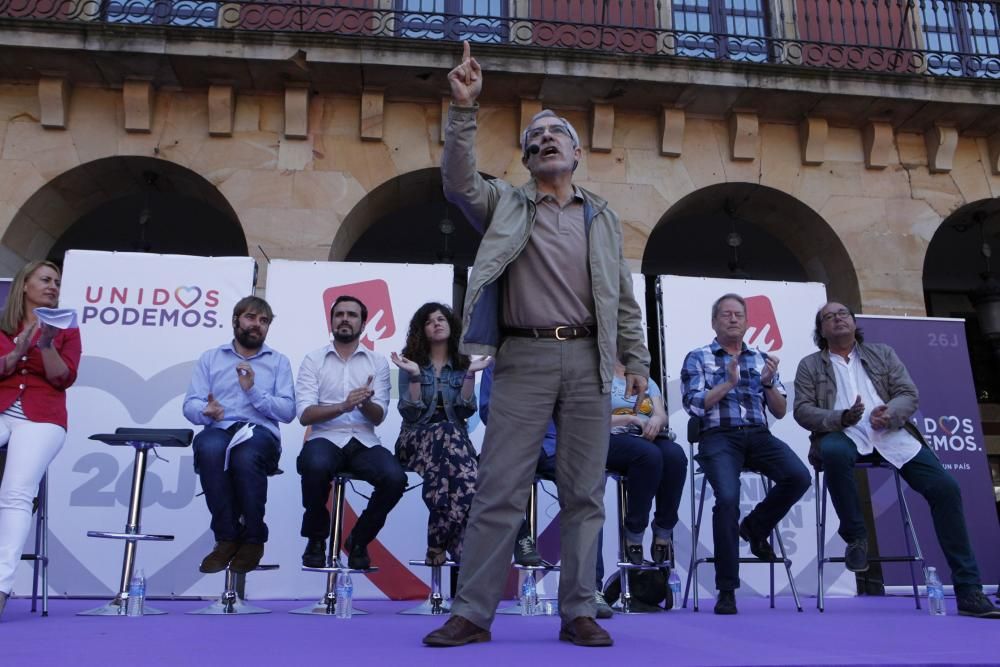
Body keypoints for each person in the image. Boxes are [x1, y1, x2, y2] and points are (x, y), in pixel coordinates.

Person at [423, 40, 649, 648]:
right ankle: (472, 612)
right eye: (535, 137)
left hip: (587, 361)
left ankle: (579, 609)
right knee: (499, 488)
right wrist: (464, 108)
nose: (546, 140)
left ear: (576, 153)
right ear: (525, 158)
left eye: (557, 134)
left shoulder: (601, 217)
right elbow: (457, 180)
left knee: (584, 490)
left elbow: (623, 297)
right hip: (519, 358)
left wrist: (637, 360)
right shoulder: (504, 203)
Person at [793, 301, 1000, 619]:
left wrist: (889, 414)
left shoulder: (882, 353)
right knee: (833, 451)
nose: (837, 319)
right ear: (821, 330)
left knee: (945, 488)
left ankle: (969, 590)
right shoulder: (810, 365)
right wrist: (841, 416)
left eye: (843, 314)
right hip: (842, 433)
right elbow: (803, 410)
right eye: (828, 317)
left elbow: (908, 393)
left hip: (890, 434)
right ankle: (856, 537)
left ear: (853, 322)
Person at [680, 293, 810, 615]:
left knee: (799, 477)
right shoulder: (698, 357)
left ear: (748, 321)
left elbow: (780, 412)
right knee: (727, 499)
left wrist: (767, 384)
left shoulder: (761, 358)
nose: (733, 319)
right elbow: (693, 405)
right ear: (714, 322)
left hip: (758, 435)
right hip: (718, 437)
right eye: (726, 314)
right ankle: (727, 589)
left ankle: (755, 526)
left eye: (739, 314)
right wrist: (727, 384)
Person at [182, 296, 295, 574]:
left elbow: (288, 411)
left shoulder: (278, 361)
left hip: (259, 432)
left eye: (263, 320)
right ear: (235, 320)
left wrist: (253, 390)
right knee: (209, 447)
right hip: (220, 429)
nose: (257, 325)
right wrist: (205, 412)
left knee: (246, 456)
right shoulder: (211, 358)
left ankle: (254, 538)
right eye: (250, 317)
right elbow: (190, 404)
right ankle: (228, 537)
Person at [296, 295, 405, 570]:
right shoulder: (313, 359)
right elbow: (305, 415)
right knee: (315, 463)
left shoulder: (377, 362)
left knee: (395, 477)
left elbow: (378, 417)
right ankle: (317, 539)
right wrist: (344, 405)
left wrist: (364, 402)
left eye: (352, 315)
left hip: (363, 440)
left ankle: (359, 539)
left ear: (363, 323)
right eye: (339, 314)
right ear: (331, 321)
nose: (345, 319)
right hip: (325, 436)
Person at [0, 261, 81, 619]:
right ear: (25, 285)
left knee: (16, 492)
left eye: (57, 283)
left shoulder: (67, 327)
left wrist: (46, 344)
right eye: (45, 280)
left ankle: (1, 585)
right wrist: (19, 348)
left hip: (42, 417)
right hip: (3, 408)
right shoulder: (3, 324)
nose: (52, 286)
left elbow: (62, 378)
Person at [391, 302, 489, 565]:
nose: (436, 323)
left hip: (453, 445)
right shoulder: (410, 363)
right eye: (429, 321)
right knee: (462, 464)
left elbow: (465, 411)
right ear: (421, 330)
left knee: (462, 477)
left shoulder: (462, 364)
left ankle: (437, 545)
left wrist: (469, 375)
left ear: (451, 326)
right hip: (414, 441)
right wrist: (413, 377)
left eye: (441, 318)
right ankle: (446, 545)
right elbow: (410, 414)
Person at [607, 361, 687, 568]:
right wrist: (631, 419)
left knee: (675, 455)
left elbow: (661, 414)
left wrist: (656, 421)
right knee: (649, 455)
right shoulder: (601, 375)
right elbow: (591, 419)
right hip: (612, 438)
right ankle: (635, 530)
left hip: (645, 437)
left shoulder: (645, 379)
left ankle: (663, 529)